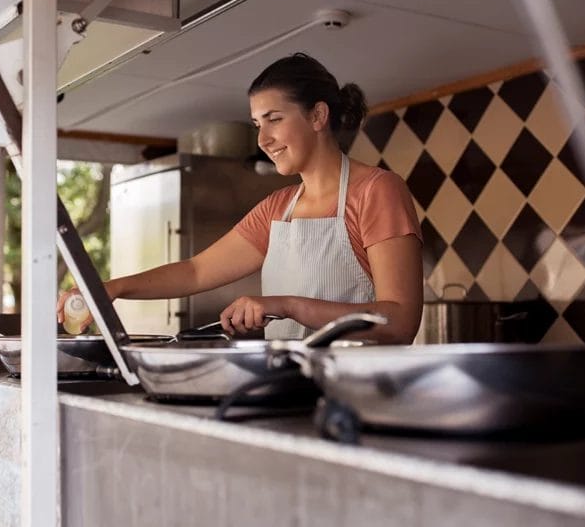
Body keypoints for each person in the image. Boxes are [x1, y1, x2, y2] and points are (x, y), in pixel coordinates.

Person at [58, 53, 423, 343]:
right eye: (257, 125)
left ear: (318, 115)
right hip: (290, 393)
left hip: (359, 396)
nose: (263, 140)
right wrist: (112, 288)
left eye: (274, 119)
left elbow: (400, 320)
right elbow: (196, 271)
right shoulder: (277, 209)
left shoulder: (377, 191)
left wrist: (287, 306)